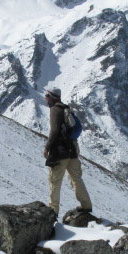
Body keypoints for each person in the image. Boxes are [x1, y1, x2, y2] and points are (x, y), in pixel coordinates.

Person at [43, 88, 92, 216]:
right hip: (72, 151)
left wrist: (47, 147)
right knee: (76, 179)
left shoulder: (55, 110)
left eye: (47, 95)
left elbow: (54, 131)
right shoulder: (66, 108)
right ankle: (86, 206)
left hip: (60, 152)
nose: (45, 98)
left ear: (52, 97)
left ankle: (53, 211)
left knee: (55, 181)